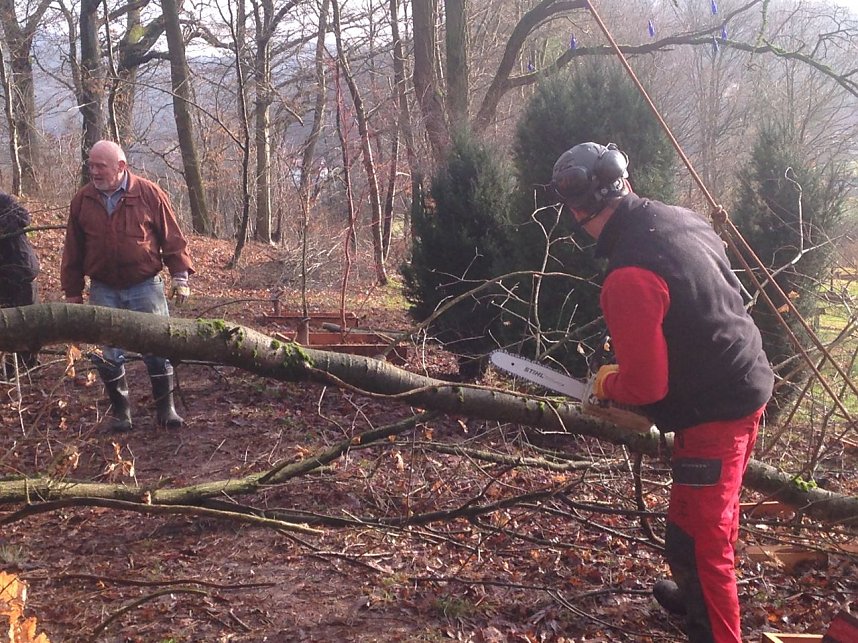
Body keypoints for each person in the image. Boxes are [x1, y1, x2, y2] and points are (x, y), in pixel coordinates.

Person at [551, 142, 774, 643]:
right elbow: (723, 301)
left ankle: (717, 631)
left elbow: (648, 386)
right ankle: (695, 594)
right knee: (692, 520)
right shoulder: (682, 218)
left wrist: (608, 381)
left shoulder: (629, 273)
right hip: (743, 378)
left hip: (716, 409)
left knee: (703, 538)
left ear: (578, 206)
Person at [61, 140, 194, 432]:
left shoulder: (148, 193)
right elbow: (73, 250)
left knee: (158, 347)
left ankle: (166, 411)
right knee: (107, 353)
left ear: (121, 167)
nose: (94, 171)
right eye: (91, 165)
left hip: (145, 285)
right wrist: (73, 292)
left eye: (100, 166)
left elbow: (173, 236)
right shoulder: (82, 200)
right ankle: (121, 415)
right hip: (103, 288)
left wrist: (180, 277)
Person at [0, 191, 40, 372]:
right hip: (3, 274)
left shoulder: (4, 200)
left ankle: (28, 364)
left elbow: (24, 217)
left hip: (20, 268)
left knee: (26, 320)